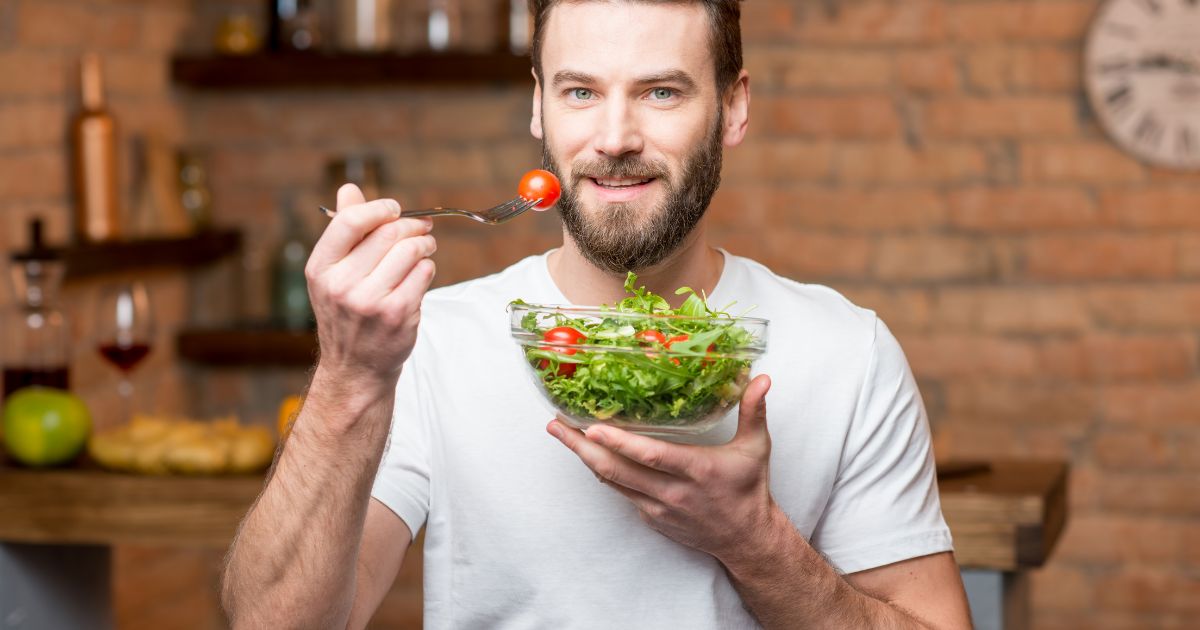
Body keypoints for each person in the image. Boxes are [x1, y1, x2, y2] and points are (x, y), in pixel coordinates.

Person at [220, 1, 973, 628]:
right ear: (539, 107)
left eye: (661, 92)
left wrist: (754, 542)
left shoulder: (847, 352)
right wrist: (350, 379)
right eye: (581, 92)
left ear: (734, 108)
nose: (614, 139)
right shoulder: (433, 344)